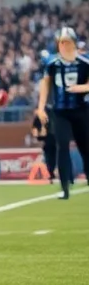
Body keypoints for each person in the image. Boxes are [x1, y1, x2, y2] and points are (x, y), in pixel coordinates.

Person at [35, 27, 89, 200]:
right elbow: (45, 84)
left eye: (67, 42)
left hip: (81, 109)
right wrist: (41, 107)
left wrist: (81, 88)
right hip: (60, 111)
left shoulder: (84, 61)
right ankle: (65, 187)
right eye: (61, 42)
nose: (64, 46)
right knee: (62, 147)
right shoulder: (52, 63)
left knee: (85, 147)